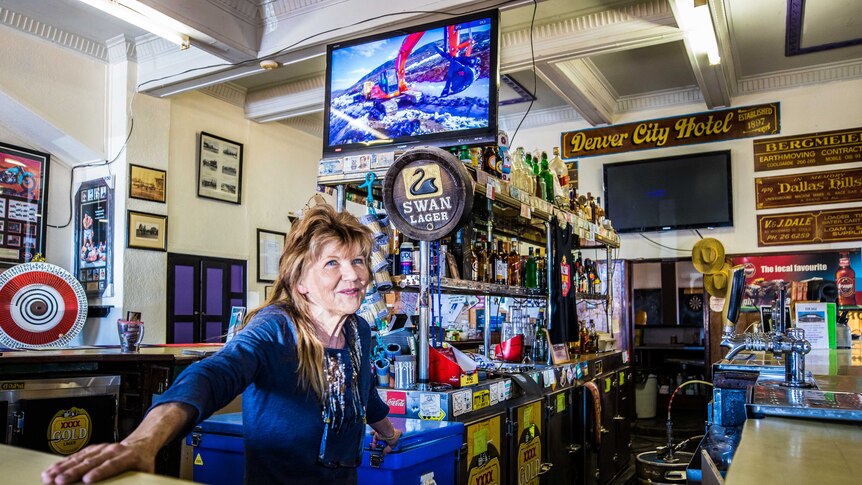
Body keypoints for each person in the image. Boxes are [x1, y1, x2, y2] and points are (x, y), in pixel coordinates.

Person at [42, 204, 400, 485]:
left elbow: (360, 393)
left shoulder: (357, 331)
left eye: (357, 260)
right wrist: (142, 443)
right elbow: (212, 375)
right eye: (332, 263)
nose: (353, 274)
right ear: (300, 281)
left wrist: (389, 433)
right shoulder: (275, 328)